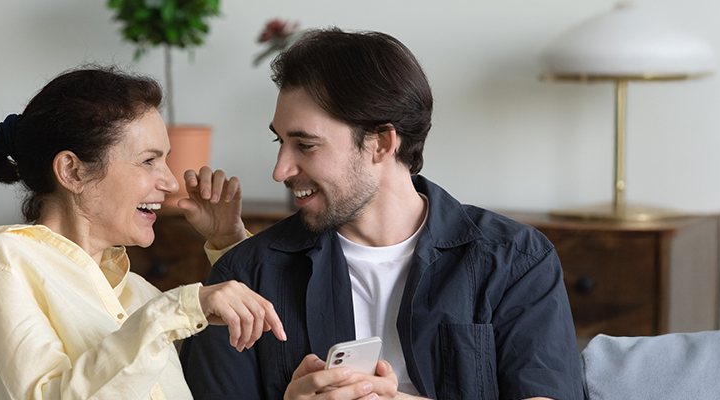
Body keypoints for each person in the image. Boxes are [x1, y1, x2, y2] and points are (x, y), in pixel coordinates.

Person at [179, 29, 584, 400]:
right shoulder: (248, 274)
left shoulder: (514, 258)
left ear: (381, 143)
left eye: (305, 145)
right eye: (280, 141)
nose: (280, 170)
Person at [0, 66, 286, 400]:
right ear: (73, 171)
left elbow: (233, 367)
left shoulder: (137, 292)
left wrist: (229, 245)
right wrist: (175, 310)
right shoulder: (2, 262)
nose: (170, 182)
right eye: (149, 161)